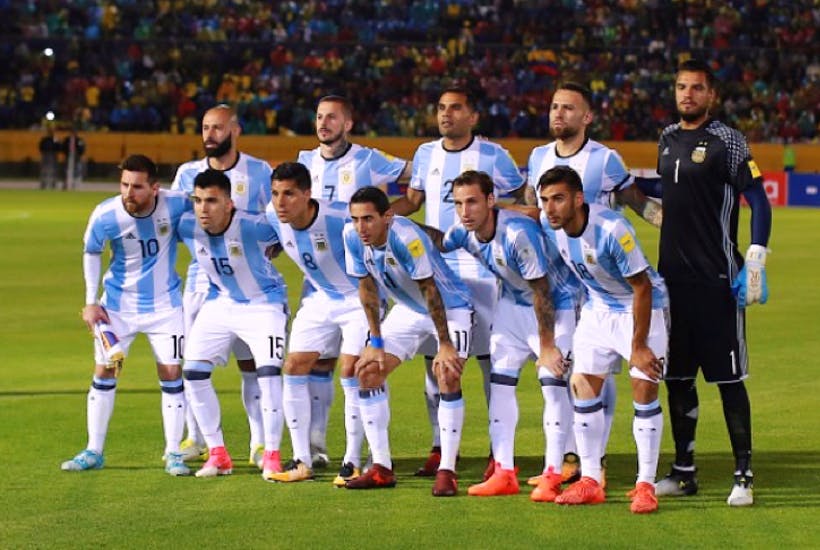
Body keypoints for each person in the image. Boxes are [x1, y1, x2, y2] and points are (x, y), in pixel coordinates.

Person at [643, 59, 772, 507]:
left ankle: (744, 476)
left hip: (717, 282)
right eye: (682, 86)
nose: (688, 94)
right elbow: (668, 191)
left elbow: (759, 201)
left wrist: (755, 259)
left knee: (729, 380)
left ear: (711, 95)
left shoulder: (728, 141)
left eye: (697, 88)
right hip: (671, 285)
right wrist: (627, 191)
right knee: (678, 379)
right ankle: (684, 472)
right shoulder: (666, 138)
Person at [525, 81, 662, 487]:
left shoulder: (605, 160)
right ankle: (571, 461)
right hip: (558, 277)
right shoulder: (537, 157)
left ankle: (594, 458)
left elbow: (637, 202)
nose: (558, 113)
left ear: (586, 117)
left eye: (568, 108)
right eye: (554, 106)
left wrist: (676, 230)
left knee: (599, 369)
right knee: (571, 372)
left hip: (601, 280)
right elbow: (533, 211)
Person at [391, 86, 527, 477]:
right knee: (435, 362)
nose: (446, 114)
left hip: (483, 271)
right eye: (441, 108)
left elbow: (520, 200)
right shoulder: (425, 153)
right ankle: (440, 446)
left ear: (473, 116)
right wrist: (381, 214)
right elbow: (413, 201)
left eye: (455, 108)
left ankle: (498, 452)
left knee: (490, 364)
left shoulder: (494, 155)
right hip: (437, 270)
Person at [423, 170, 579, 501]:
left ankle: (553, 474)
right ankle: (504, 472)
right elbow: (441, 241)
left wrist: (547, 347)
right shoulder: (464, 231)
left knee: (552, 385)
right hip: (511, 305)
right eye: (458, 204)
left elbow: (542, 290)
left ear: (491, 201)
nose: (464, 211)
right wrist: (401, 224)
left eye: (472, 202)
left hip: (555, 305)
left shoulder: (517, 234)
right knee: (500, 385)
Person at [538, 165, 668, 514]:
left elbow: (642, 286)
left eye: (558, 199)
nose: (550, 208)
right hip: (597, 308)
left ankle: (645, 485)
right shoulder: (553, 227)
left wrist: (639, 346)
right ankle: (591, 480)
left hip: (641, 307)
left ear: (578, 199)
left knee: (644, 391)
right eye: (545, 200)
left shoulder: (612, 229)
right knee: (582, 386)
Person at [295, 95, 410, 468]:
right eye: (319, 116)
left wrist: (385, 218)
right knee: (318, 364)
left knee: (359, 366)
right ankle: (315, 445)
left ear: (347, 124)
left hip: (362, 280)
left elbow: (417, 179)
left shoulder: (368, 159)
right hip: (317, 282)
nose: (323, 123)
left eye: (332, 117)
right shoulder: (305, 161)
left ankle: (365, 452)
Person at [61, 154, 190, 476]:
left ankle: (174, 452)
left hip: (166, 307)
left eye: (137, 187)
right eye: (124, 184)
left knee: (171, 374)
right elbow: (92, 251)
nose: (128, 193)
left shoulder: (176, 204)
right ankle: (94, 450)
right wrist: (91, 301)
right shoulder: (106, 214)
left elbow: (208, 212)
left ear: (155, 188)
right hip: (117, 308)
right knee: (105, 373)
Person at [343, 186, 474, 496]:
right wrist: (375, 340)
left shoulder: (405, 238)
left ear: (387, 216)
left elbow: (430, 289)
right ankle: (381, 467)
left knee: (447, 373)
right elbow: (367, 288)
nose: (361, 227)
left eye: (368, 219)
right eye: (356, 219)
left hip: (451, 306)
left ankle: (447, 470)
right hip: (408, 309)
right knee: (367, 371)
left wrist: (445, 344)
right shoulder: (352, 236)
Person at [172, 104, 275, 471]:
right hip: (201, 281)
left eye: (217, 127)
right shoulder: (187, 174)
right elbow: (173, 220)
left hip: (248, 283)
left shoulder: (259, 171)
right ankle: (196, 437)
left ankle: (259, 442)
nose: (210, 134)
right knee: (193, 363)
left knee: (252, 364)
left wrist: (267, 252)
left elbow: (276, 220)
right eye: (205, 127)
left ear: (235, 130)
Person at [265, 161, 371, 486]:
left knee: (351, 370)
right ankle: (302, 460)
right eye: (275, 194)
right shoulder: (273, 216)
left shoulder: (341, 219)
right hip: (321, 297)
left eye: (289, 194)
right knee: (294, 366)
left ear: (307, 194)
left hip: (358, 298)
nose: (280, 202)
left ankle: (352, 461)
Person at [178, 169, 289, 480]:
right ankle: (218, 454)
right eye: (198, 200)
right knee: (193, 373)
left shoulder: (256, 226)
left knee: (268, 374)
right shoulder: (187, 225)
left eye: (212, 201)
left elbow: (293, 229)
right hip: (221, 303)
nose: (203, 208)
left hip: (264, 304)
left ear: (229, 204)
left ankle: (272, 455)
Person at [39, 125, 61, 190]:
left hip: (53, 155)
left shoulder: (55, 139)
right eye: (50, 131)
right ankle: (44, 184)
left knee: (53, 170)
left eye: (52, 131)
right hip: (45, 155)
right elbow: (41, 147)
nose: (51, 133)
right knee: (44, 170)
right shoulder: (45, 139)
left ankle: (53, 184)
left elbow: (59, 147)